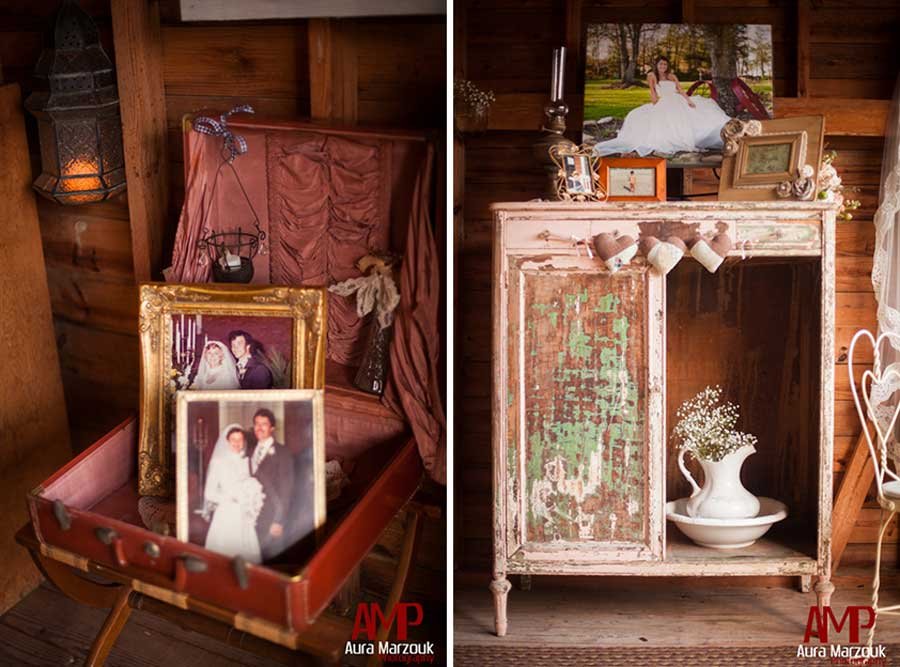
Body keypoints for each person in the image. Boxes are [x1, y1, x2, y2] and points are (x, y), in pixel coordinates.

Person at [592, 56, 731, 158]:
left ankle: (723, 132)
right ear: (657, 65)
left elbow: (680, 89)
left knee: (697, 114)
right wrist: (655, 102)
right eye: (660, 64)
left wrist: (688, 100)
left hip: (676, 100)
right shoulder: (652, 75)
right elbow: (652, 90)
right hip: (663, 101)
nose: (663, 67)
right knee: (644, 117)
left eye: (665, 64)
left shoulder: (671, 76)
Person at [203, 425, 265, 563]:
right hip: (226, 513)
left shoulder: (248, 462)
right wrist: (230, 497)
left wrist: (251, 497)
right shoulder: (218, 463)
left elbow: (253, 486)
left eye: (240, 440)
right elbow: (209, 493)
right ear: (227, 441)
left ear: (244, 441)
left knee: (246, 555)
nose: (237, 443)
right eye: (233, 440)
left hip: (244, 514)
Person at [248, 409, 295, 560]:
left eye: (264, 424)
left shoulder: (283, 453)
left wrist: (278, 521)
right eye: (256, 424)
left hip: (271, 517)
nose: (259, 428)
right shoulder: (249, 451)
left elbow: (286, 489)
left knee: (270, 560)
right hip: (251, 517)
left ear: (272, 428)